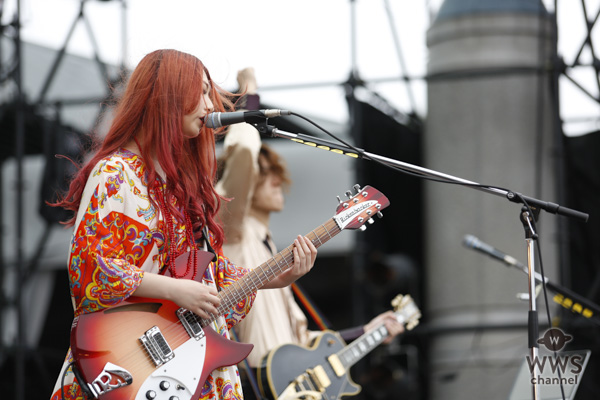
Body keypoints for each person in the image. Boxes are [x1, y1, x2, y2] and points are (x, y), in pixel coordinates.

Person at [48, 50, 317, 400]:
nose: (210, 104)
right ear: (170, 96)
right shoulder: (116, 174)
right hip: (125, 367)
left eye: (209, 92)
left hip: (190, 367)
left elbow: (204, 280)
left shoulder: (182, 189)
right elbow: (91, 267)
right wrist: (173, 290)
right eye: (201, 92)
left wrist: (273, 278)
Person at [216, 68, 405, 397]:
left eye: (278, 175)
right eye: (266, 174)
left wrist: (365, 332)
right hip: (247, 386)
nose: (276, 181)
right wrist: (250, 93)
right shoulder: (231, 229)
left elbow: (302, 346)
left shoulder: (271, 247)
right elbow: (245, 154)